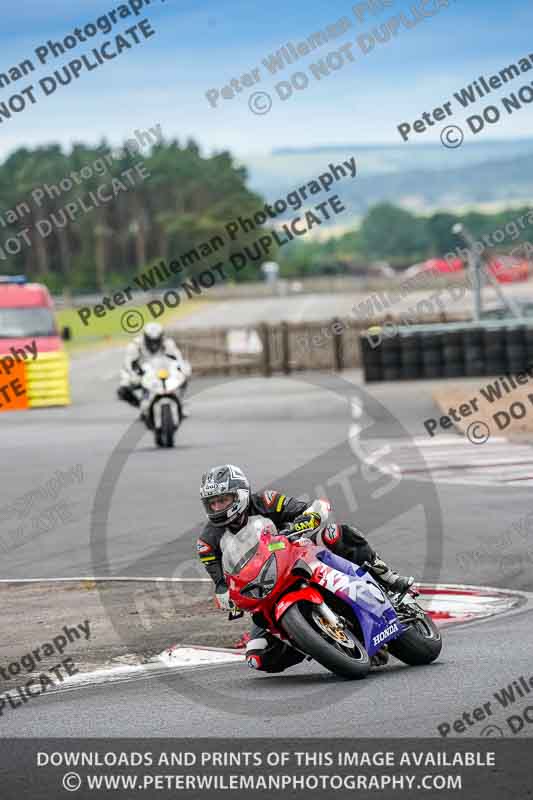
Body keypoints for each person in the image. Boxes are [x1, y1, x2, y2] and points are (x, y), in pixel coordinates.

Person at [197, 464, 413, 674]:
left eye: (223, 500)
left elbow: (304, 509)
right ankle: (318, 642)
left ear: (241, 494)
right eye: (212, 503)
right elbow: (221, 582)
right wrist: (226, 597)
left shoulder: (266, 501)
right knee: (258, 657)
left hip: (294, 557)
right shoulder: (207, 542)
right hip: (263, 589)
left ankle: (387, 578)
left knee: (333, 533)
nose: (218, 507)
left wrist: (304, 521)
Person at [117, 322, 191, 413]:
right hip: (143, 373)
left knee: (185, 374)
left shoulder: (168, 343)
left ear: (161, 337)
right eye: (151, 341)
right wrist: (133, 374)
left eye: (156, 341)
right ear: (145, 337)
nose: (154, 344)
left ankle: (179, 402)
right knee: (123, 389)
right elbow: (128, 364)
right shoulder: (135, 345)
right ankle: (141, 406)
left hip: (164, 372)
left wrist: (182, 369)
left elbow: (178, 359)